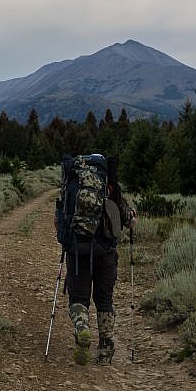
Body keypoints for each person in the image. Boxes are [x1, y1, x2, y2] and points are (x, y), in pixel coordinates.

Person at [57, 156, 136, 365]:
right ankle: (105, 348)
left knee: (78, 298)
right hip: (106, 253)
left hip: (77, 251)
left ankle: (82, 330)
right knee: (104, 300)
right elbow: (129, 220)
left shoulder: (71, 187)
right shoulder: (111, 187)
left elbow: (59, 222)